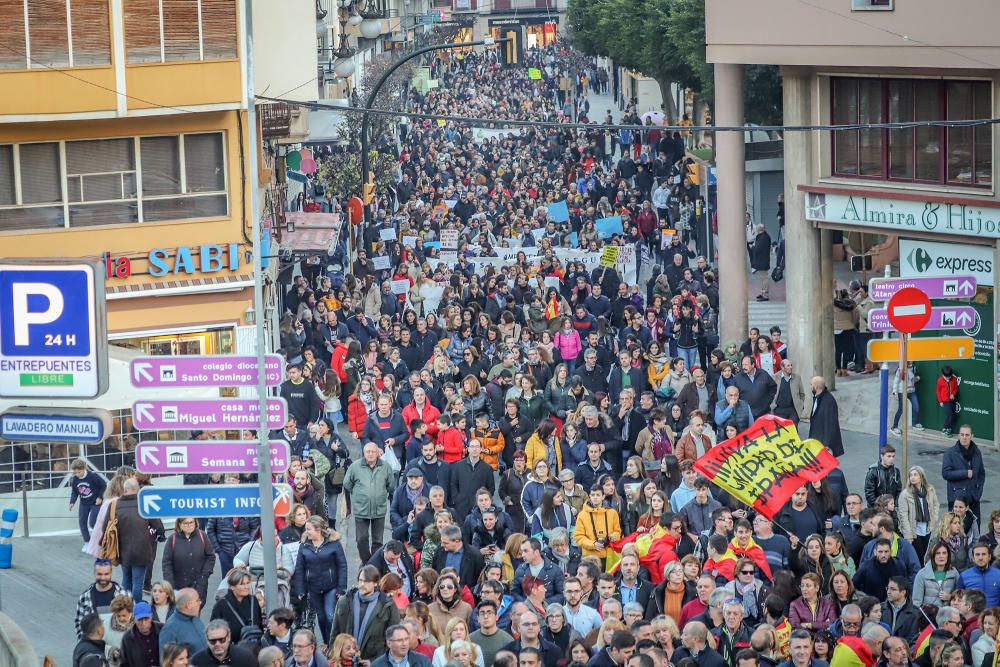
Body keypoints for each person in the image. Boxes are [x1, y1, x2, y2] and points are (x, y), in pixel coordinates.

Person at [291, 516, 348, 644]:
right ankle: (327, 642)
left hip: (331, 586)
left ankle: (335, 643)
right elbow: (299, 568)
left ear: (319, 530)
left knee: (329, 615)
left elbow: (342, 565)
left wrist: (341, 587)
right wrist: (300, 589)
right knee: (321, 618)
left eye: (309, 529)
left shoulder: (334, 544)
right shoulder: (304, 545)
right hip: (314, 587)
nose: (306, 532)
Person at [331, 565, 401, 662]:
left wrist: (374, 662)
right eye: (360, 580)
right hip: (345, 660)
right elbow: (335, 633)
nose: (362, 584)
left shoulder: (388, 605)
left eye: (367, 581)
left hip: (372, 660)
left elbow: (393, 639)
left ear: (375, 583)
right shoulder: (345, 601)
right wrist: (333, 659)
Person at [343, 442, 395, 563]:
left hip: (379, 509)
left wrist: (380, 494)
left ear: (378, 453)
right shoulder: (355, 467)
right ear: (364, 453)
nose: (370, 454)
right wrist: (358, 496)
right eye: (368, 451)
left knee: (378, 540)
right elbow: (347, 483)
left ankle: (375, 563)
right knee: (361, 539)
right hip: (361, 509)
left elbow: (391, 485)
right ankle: (367, 561)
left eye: (373, 451)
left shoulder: (386, 467)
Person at [114, 478, 165, 601]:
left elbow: (107, 525)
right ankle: (137, 608)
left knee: (126, 579)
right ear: (137, 490)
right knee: (138, 582)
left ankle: (125, 607)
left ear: (124, 490)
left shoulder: (115, 505)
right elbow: (157, 525)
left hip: (122, 549)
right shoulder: (143, 504)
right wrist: (161, 534)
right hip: (142, 549)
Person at [162, 517, 216, 610]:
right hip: (178, 586)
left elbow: (210, 556)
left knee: (195, 611)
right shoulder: (173, 539)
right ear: (179, 524)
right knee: (180, 612)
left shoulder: (202, 536)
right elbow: (167, 562)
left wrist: (204, 575)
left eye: (191, 522)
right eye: (186, 523)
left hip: (199, 585)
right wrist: (170, 584)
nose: (189, 525)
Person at [941, 425, 985, 530]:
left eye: (967, 435)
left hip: (973, 498)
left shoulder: (976, 452)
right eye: (962, 434)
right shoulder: (950, 453)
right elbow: (946, 474)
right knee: (956, 530)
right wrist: (965, 473)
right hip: (957, 499)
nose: (964, 437)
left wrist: (978, 491)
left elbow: (981, 473)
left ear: (971, 436)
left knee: (975, 529)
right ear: (958, 436)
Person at [75, 559, 128, 639]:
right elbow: (79, 623)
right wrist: (85, 643)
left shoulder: (124, 595)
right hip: (94, 646)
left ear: (111, 573)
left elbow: (131, 622)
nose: (103, 578)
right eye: (99, 574)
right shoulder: (85, 597)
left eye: (106, 574)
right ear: (94, 573)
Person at [210, 570, 263, 645]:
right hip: (232, 647)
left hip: (254, 645)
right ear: (232, 586)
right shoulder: (221, 605)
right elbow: (214, 628)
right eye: (242, 584)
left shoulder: (254, 600)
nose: (246, 587)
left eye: (248, 583)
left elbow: (259, 623)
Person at [897, 466, 938, 559]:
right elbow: (903, 515)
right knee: (918, 556)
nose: (912, 477)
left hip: (927, 528)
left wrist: (934, 518)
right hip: (914, 530)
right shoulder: (905, 494)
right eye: (910, 475)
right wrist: (908, 535)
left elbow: (936, 504)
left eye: (915, 475)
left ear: (921, 476)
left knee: (925, 554)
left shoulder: (930, 490)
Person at [160, 588, 208, 655]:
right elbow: (166, 660)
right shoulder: (170, 629)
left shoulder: (195, 618)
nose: (200, 603)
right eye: (197, 600)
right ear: (188, 605)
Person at [190, 619, 256, 667]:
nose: (217, 644)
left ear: (228, 637)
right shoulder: (196, 661)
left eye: (222, 640)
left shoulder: (245, 658)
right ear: (207, 640)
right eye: (213, 641)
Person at [69, 459, 106, 544]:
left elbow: (103, 485)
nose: (77, 475)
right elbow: (74, 492)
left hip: (95, 503)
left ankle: (102, 538)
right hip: (84, 503)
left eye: (79, 472)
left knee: (92, 523)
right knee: (82, 523)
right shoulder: (75, 479)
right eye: (75, 473)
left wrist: (100, 497)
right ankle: (87, 542)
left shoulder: (93, 476)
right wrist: (72, 502)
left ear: (84, 468)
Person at [809, 376, 844, 457]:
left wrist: (826, 446)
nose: (810, 386)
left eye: (811, 384)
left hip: (823, 445)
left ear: (816, 386)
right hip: (816, 442)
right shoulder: (818, 397)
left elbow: (830, 424)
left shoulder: (828, 402)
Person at [120, 601, 161, 667]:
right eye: (140, 619)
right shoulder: (127, 638)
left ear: (151, 617)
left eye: (146, 619)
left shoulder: (163, 630)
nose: (143, 623)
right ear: (134, 619)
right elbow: (123, 663)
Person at [880, 577, 920, 644]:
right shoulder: (880, 608)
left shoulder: (914, 613)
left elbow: (913, 639)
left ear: (903, 592)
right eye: (888, 588)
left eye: (893, 589)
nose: (888, 592)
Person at [890, 362, 922, 435]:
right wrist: (895, 392)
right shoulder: (900, 370)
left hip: (911, 391)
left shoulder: (912, 369)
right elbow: (895, 382)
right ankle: (894, 427)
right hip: (902, 392)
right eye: (908, 364)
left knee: (916, 407)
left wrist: (917, 378)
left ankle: (916, 424)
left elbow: (912, 380)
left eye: (910, 364)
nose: (910, 365)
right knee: (901, 410)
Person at [749, 224, 771, 301]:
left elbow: (758, 249)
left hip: (763, 262)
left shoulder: (763, 238)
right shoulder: (764, 237)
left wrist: (753, 247)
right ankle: (763, 293)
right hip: (762, 261)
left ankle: (765, 295)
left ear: (759, 230)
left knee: (764, 278)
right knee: (762, 279)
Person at [936, 366, 960, 437]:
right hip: (945, 401)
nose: (948, 378)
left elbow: (956, 388)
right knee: (950, 414)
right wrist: (940, 401)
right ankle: (948, 429)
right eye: (947, 377)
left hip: (952, 400)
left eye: (949, 377)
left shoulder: (954, 379)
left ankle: (945, 427)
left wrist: (953, 394)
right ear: (943, 375)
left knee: (950, 415)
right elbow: (938, 391)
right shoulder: (940, 380)